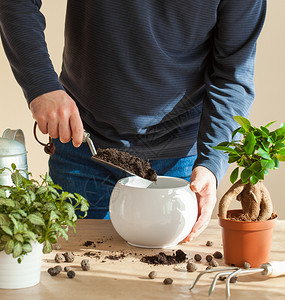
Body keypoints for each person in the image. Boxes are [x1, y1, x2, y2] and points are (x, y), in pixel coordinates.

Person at [0, 1, 266, 241]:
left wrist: (211, 163)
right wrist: (41, 87)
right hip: (83, 145)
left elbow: (232, 75)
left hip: (179, 161)